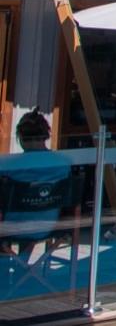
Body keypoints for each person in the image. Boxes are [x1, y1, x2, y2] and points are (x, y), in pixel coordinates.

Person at [0, 110, 72, 258]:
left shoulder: (9, 166)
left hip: (11, 227)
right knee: (34, 209)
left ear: (20, 136)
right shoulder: (63, 164)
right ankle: (22, 267)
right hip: (46, 226)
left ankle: (8, 264)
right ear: (45, 135)